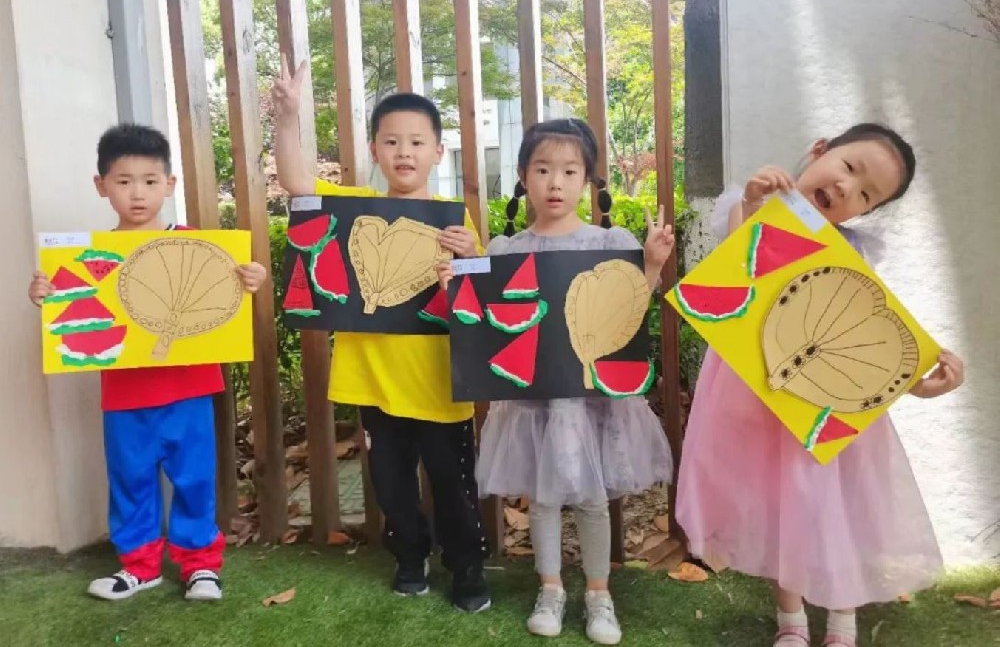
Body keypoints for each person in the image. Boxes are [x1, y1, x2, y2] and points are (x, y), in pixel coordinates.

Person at [675, 124, 966, 647]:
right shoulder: (752, 208)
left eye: (867, 195)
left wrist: (920, 385)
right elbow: (738, 263)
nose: (850, 191)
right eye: (850, 168)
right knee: (780, 505)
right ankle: (791, 621)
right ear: (819, 151)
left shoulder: (850, 254)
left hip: (826, 400)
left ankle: (841, 621)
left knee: (830, 506)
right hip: (756, 395)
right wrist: (751, 200)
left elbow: (865, 341)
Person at [438, 118, 675, 645]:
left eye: (569, 171)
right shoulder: (502, 251)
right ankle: (550, 588)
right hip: (532, 401)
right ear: (524, 176)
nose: (555, 182)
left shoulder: (609, 242)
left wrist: (653, 264)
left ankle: (598, 594)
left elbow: (626, 311)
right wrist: (455, 284)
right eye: (543, 169)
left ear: (587, 179)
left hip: (591, 401)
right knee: (543, 500)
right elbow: (483, 319)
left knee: (592, 498)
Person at [271, 58, 491, 612]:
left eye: (418, 141)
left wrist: (469, 261)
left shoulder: (457, 220)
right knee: (391, 487)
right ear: (374, 150)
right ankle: (410, 558)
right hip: (373, 383)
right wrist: (288, 118)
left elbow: (479, 303)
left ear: (438, 151)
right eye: (392, 141)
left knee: (454, 487)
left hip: (443, 386)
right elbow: (297, 184)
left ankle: (466, 568)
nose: (405, 152)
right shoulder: (350, 209)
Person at [28, 123, 268, 601]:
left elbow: (228, 293)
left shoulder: (200, 247)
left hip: (191, 389)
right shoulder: (84, 257)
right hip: (124, 393)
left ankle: (201, 565)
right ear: (101, 186)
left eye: (150, 181)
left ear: (170, 185)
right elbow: (72, 309)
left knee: (195, 478)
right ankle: (139, 566)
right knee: (130, 480)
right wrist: (44, 294)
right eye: (123, 181)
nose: (137, 193)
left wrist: (252, 277)